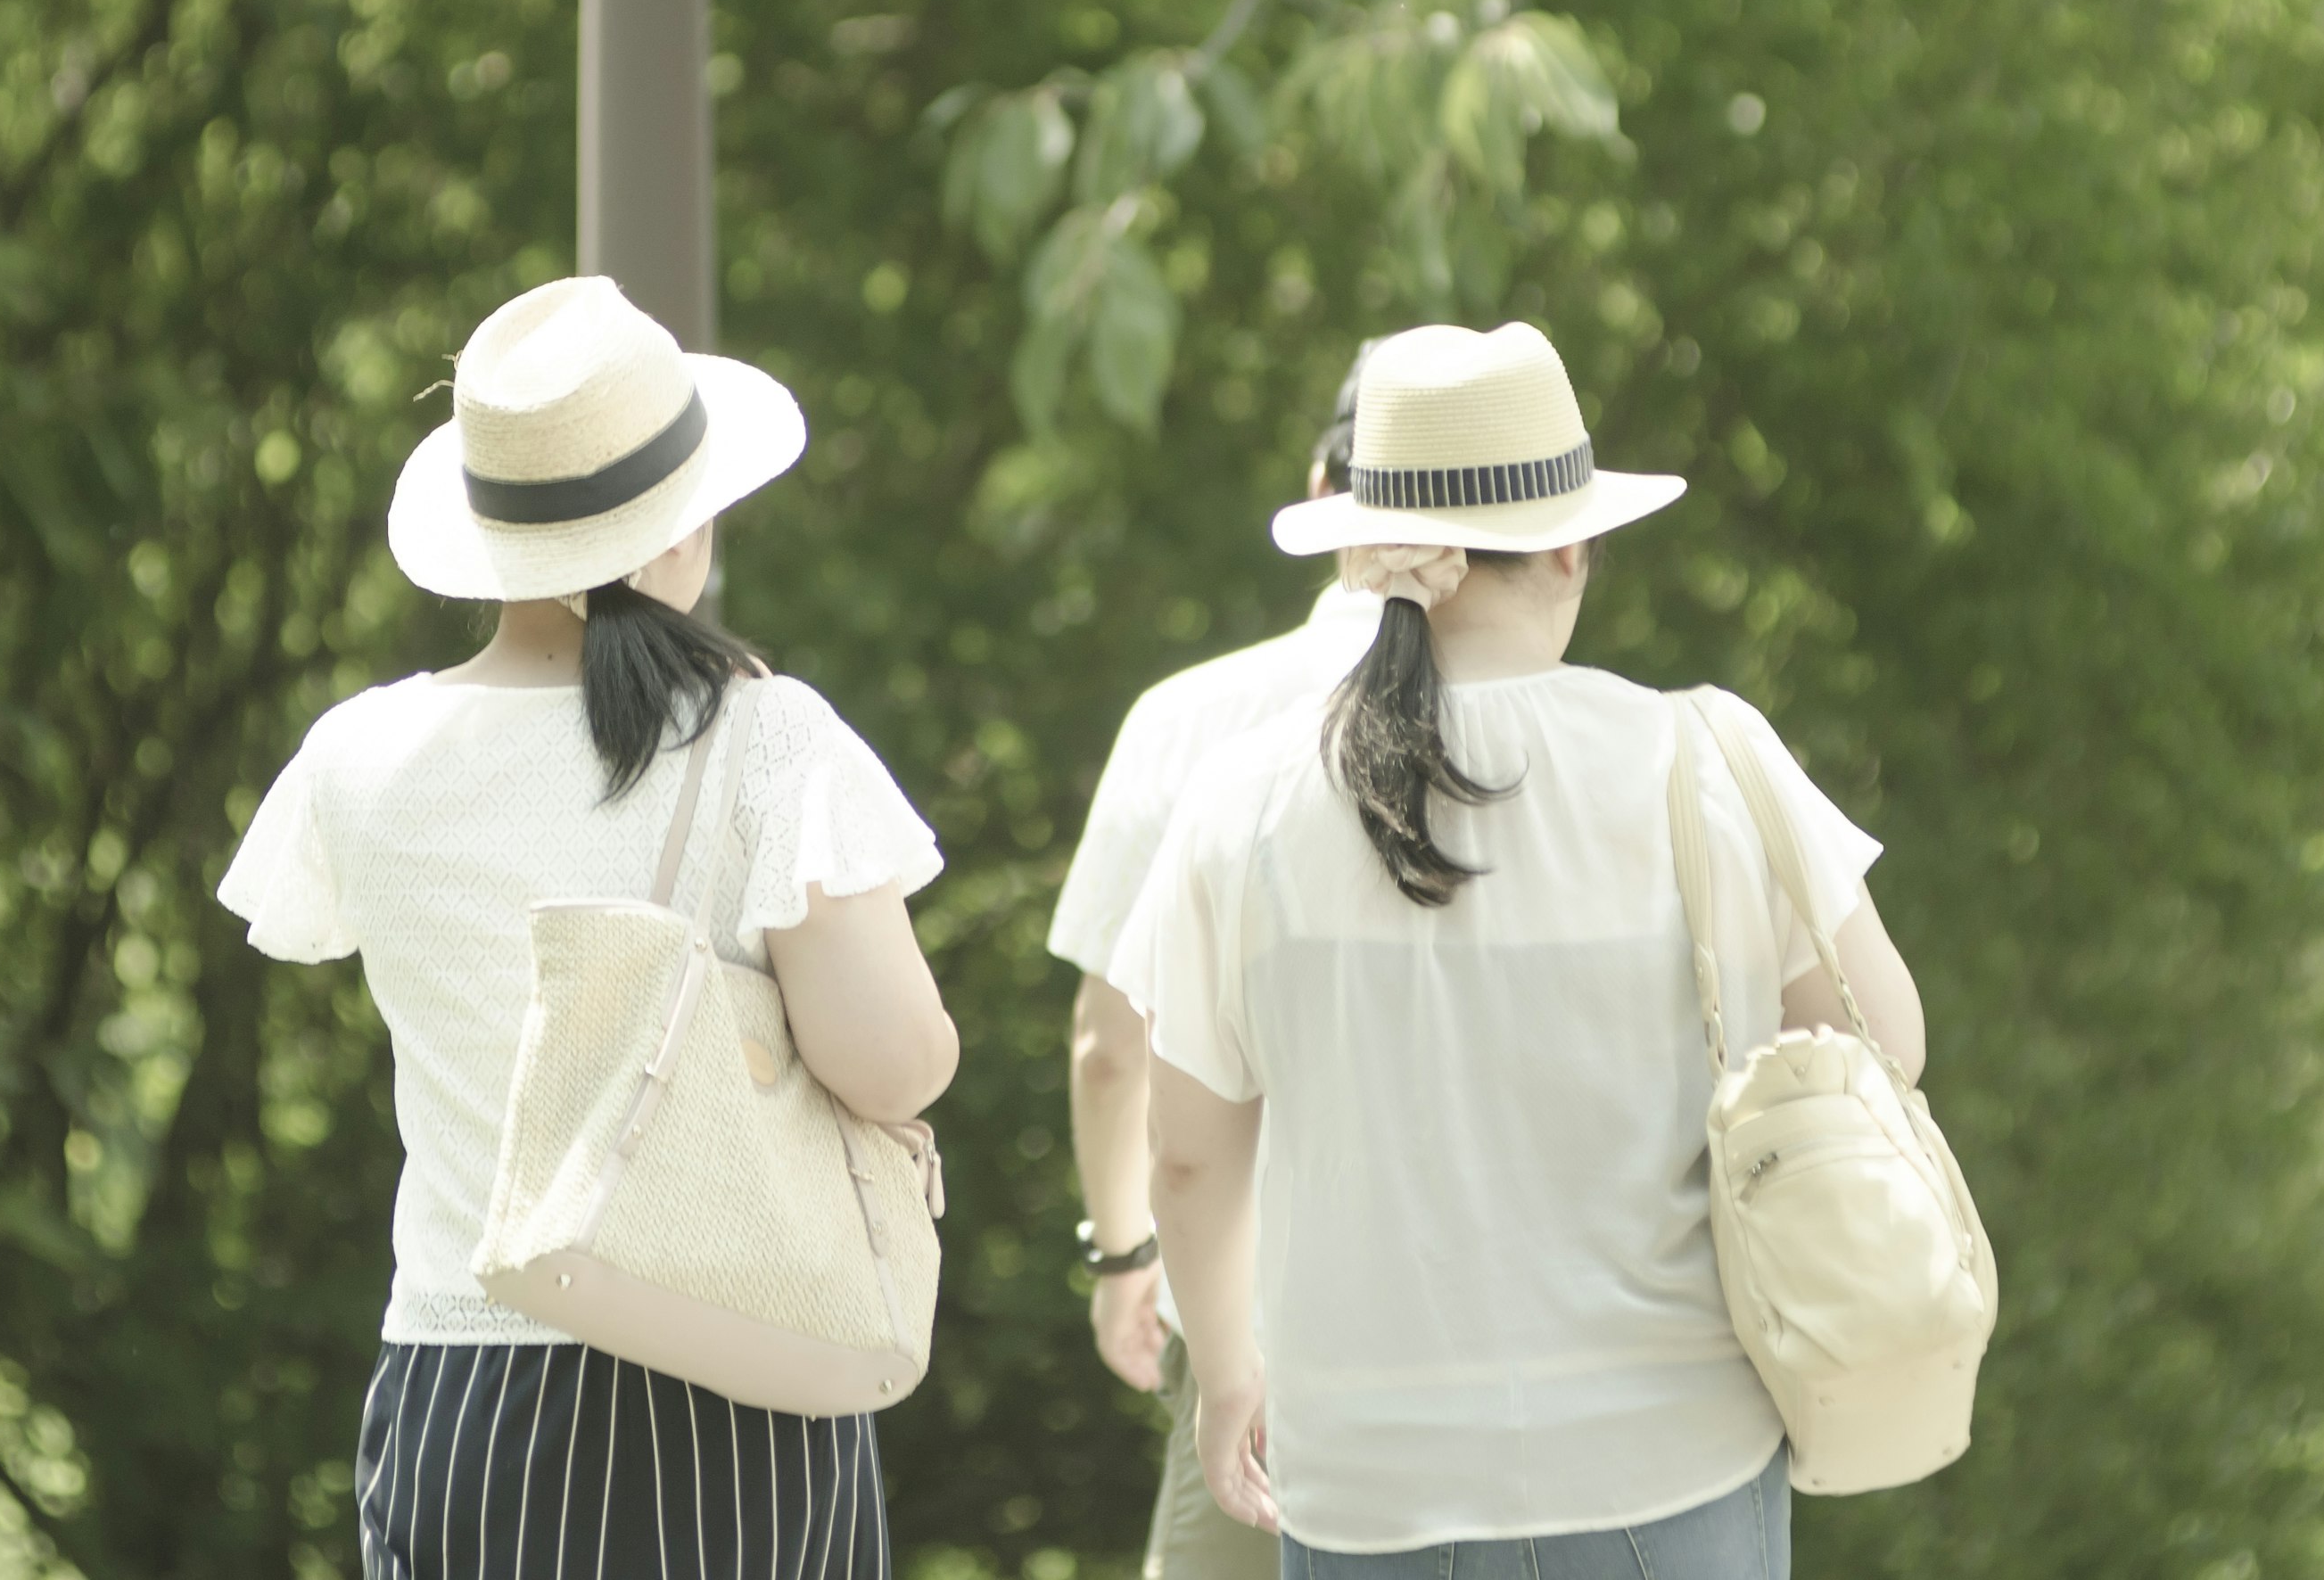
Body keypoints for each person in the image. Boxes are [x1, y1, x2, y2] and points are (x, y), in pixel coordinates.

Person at [1117, 322, 1929, 1578]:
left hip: (1364, 1484)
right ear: (1571, 540)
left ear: (1372, 549)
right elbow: (1888, 1045)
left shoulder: (1243, 808)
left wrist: (1231, 1378)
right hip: (1675, 1457)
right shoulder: (1703, 761)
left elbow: (1182, 1159)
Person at [217, 277, 960, 1580]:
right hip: (735, 1385)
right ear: (679, 533)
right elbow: (895, 1064)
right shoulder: (765, 738)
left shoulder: (357, 758)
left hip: (462, 1388)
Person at [1048, 342, 1390, 1580]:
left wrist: (1125, 1251)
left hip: (1257, 1328)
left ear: (1318, 489)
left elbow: (1111, 1042)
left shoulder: (1193, 719)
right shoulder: (1568, 732)